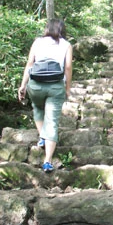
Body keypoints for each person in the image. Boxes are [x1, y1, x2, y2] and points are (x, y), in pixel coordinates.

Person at [18, 19, 73, 172]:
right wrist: (67, 89)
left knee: (37, 107)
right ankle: (47, 161)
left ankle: (42, 136)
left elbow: (30, 64)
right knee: (52, 121)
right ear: (62, 30)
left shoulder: (37, 42)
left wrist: (23, 85)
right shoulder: (66, 45)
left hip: (35, 85)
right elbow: (67, 68)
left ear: (47, 28)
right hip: (56, 85)